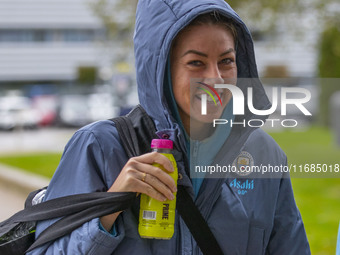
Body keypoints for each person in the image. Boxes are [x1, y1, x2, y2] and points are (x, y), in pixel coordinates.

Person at [28, 0, 311, 254]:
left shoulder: (264, 155)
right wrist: (109, 207)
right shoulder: (99, 147)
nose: (215, 78)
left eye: (226, 61)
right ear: (161, 70)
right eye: (196, 63)